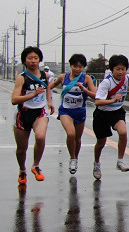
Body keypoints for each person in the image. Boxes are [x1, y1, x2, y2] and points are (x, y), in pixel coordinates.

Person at [93, 54, 129, 180]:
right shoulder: (106, 82)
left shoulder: (128, 78)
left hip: (117, 111)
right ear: (112, 69)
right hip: (102, 113)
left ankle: (120, 161)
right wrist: (113, 100)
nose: (121, 72)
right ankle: (97, 163)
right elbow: (97, 102)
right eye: (118, 69)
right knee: (101, 142)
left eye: (123, 69)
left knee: (123, 132)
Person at [12, 47, 55, 185]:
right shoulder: (22, 78)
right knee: (21, 149)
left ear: (39, 60)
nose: (33, 61)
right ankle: (22, 170)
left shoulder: (45, 75)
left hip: (39, 113)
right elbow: (14, 99)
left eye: (35, 58)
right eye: (30, 58)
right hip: (23, 114)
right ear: (25, 60)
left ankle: (36, 166)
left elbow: (47, 87)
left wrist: (49, 101)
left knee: (40, 136)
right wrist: (33, 94)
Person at [48, 53, 97, 174]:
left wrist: (84, 89)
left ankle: (75, 158)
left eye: (80, 67)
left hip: (80, 111)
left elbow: (96, 95)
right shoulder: (62, 77)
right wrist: (50, 102)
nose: (77, 69)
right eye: (75, 66)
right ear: (70, 66)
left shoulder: (86, 78)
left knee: (78, 138)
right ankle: (73, 158)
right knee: (71, 134)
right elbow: (48, 87)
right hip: (66, 111)